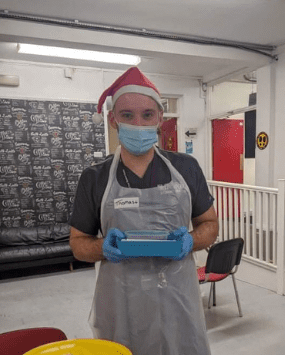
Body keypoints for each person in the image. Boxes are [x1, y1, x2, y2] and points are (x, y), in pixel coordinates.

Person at [68, 67, 218, 355]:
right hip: (121, 301)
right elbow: (78, 244)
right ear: (113, 120)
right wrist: (103, 247)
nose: (138, 123)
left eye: (147, 115)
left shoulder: (186, 168)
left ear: (160, 118)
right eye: (127, 115)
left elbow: (209, 224)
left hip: (178, 297)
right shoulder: (95, 178)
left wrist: (190, 241)